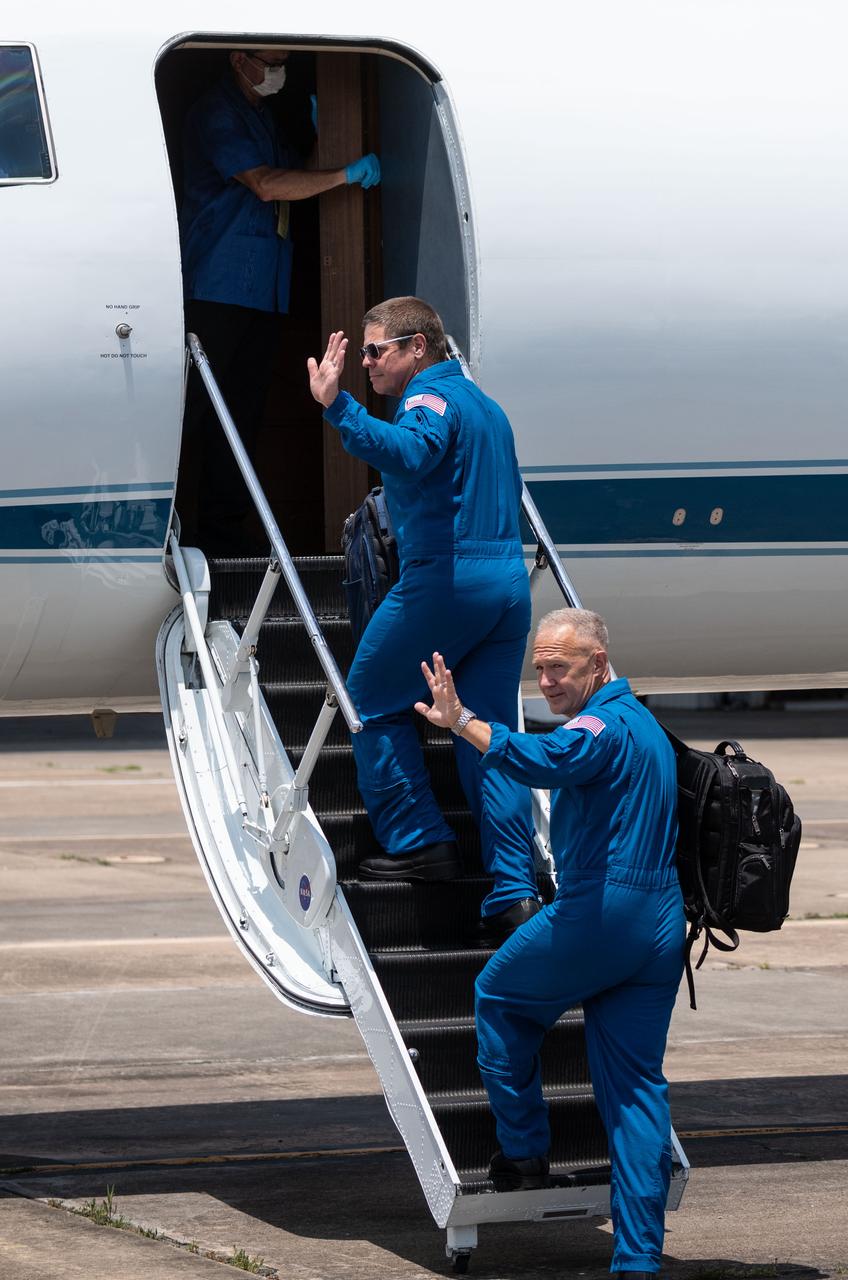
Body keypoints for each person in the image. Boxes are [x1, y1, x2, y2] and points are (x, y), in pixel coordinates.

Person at [416, 609, 685, 1278]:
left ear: (597, 664)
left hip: (604, 911)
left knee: (499, 996)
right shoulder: (646, 725)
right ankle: (636, 1261)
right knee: (635, 1092)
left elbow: (545, 758)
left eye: (558, 668)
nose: (545, 680)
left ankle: (524, 1150)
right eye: (538, 668)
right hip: (659, 925)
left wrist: (463, 724)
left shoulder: (601, 724)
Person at [307, 298, 539, 945]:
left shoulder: (426, 402)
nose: (366, 363)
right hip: (505, 586)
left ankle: (420, 841)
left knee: (372, 701)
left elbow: (411, 453)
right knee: (484, 733)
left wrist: (337, 407)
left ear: (419, 348)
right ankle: (515, 887)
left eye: (377, 350)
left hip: (447, 582)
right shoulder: (487, 408)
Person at [178, 49, 380, 553]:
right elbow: (266, 186)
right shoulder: (217, 112)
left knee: (240, 420)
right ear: (238, 58)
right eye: (270, 61)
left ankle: (222, 546)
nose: (278, 71)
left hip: (263, 294)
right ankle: (178, 538)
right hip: (216, 290)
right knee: (198, 418)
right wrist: (345, 175)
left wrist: (322, 145)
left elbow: (295, 181)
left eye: (284, 61)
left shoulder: (261, 118)